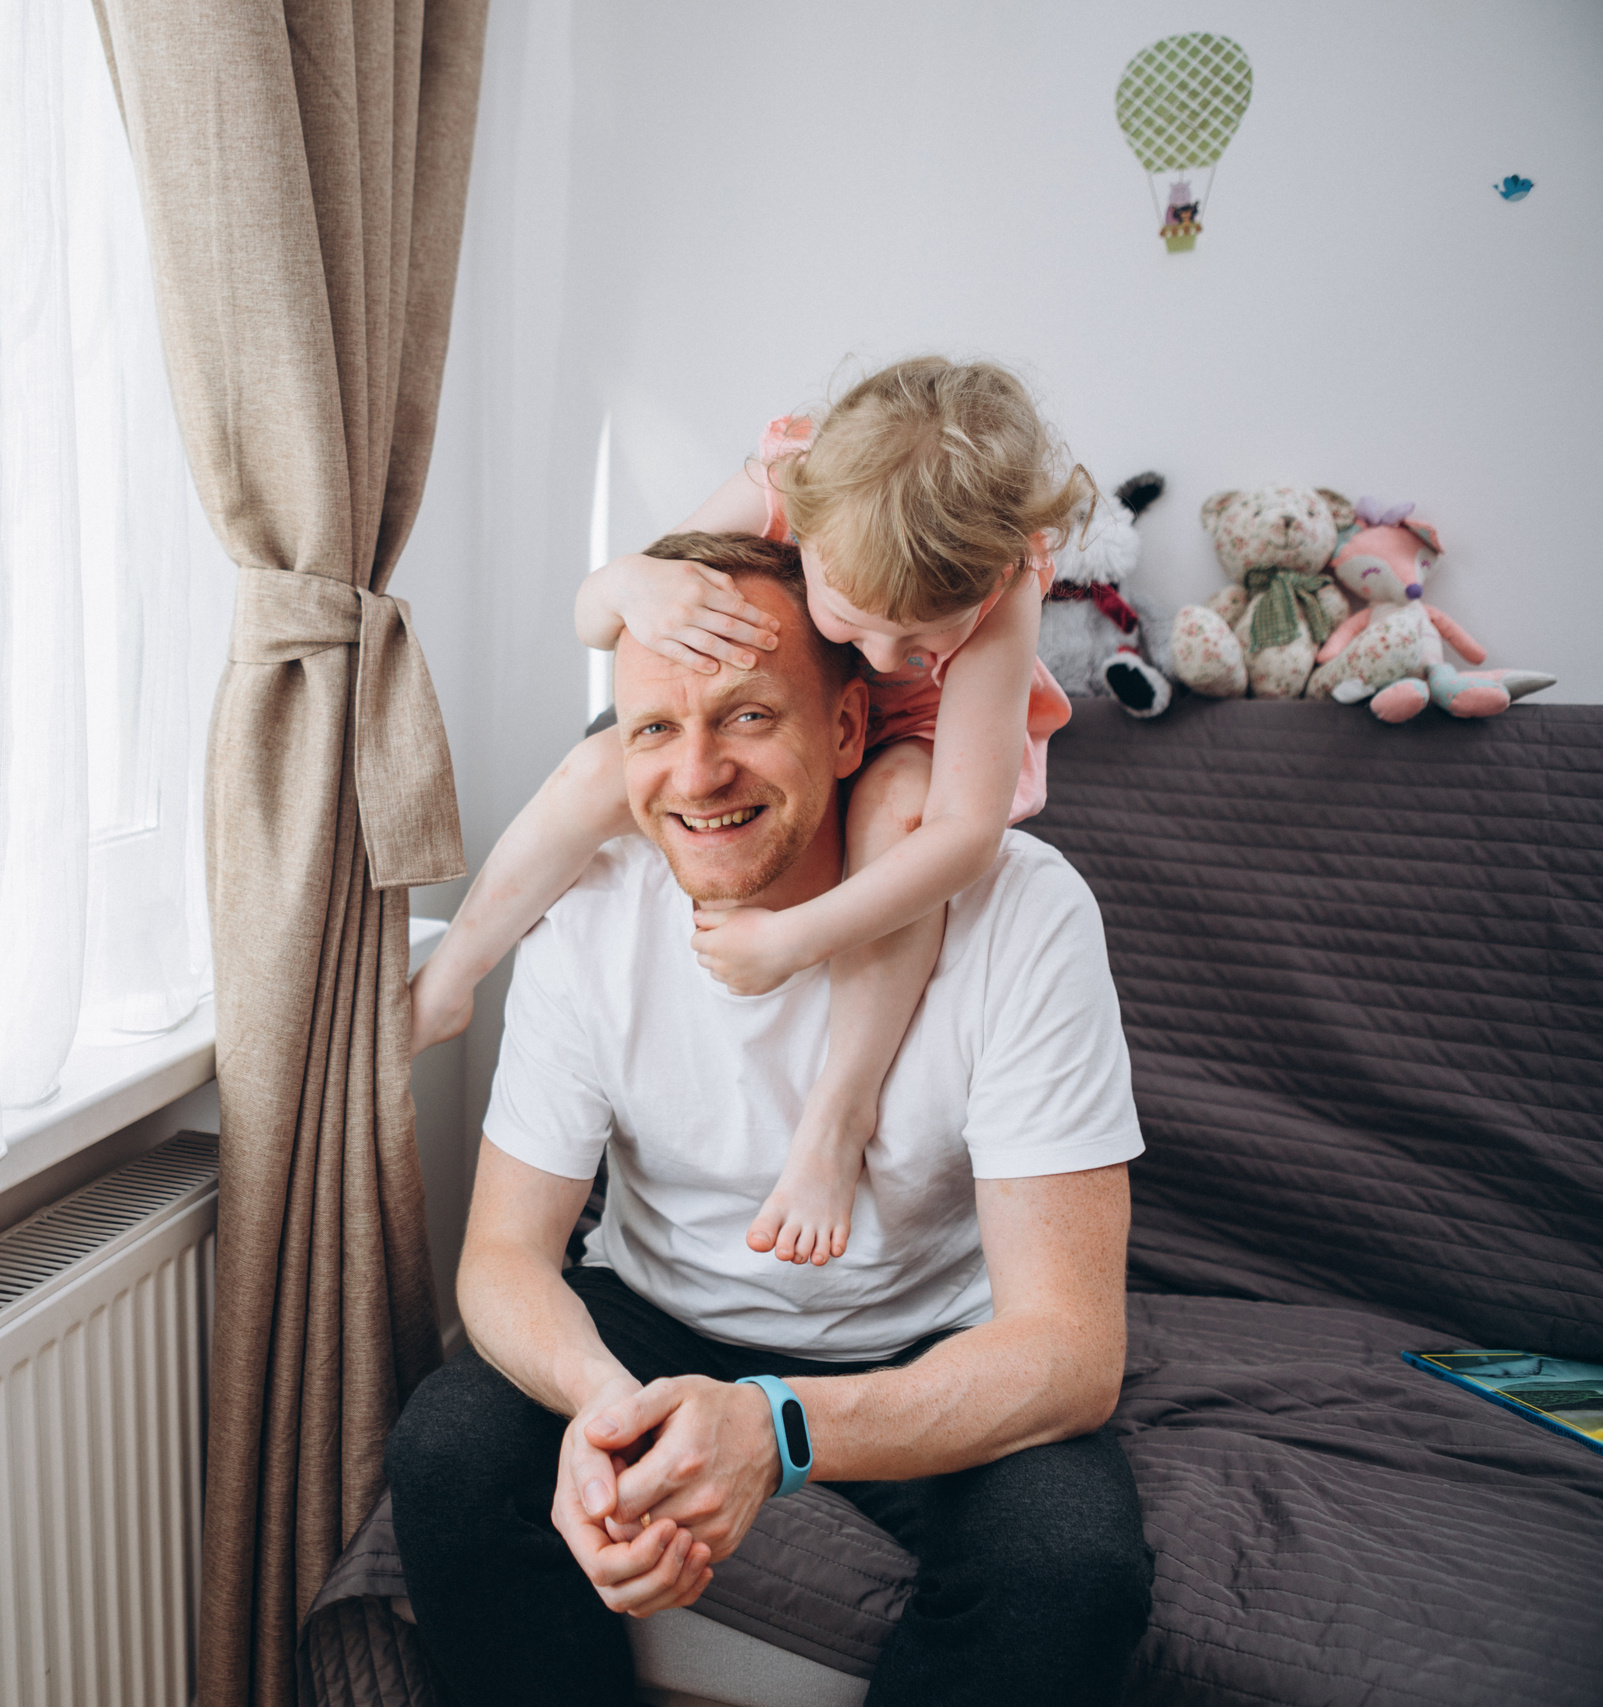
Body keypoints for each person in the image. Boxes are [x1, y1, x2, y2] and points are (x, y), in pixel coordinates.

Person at [383, 537, 1151, 1707]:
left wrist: (778, 1429)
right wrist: (606, 1410)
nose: (694, 776)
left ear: (849, 732)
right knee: (448, 1451)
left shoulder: (1024, 912)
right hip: (651, 1320)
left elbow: (1072, 1355)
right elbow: (499, 1257)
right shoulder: (589, 910)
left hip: (930, 1341)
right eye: (651, 730)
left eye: (745, 717)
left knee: (1069, 1567)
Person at [410, 358, 1085, 1268]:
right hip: (791, 711)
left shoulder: (1007, 586)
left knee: (895, 810)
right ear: (810, 526)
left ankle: (837, 1117)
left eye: (924, 635)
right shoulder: (791, 481)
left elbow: (965, 835)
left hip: (924, 744)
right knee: (590, 769)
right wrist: (629, 586)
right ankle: (453, 975)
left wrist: (796, 937)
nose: (885, 657)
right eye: (852, 617)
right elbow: (594, 612)